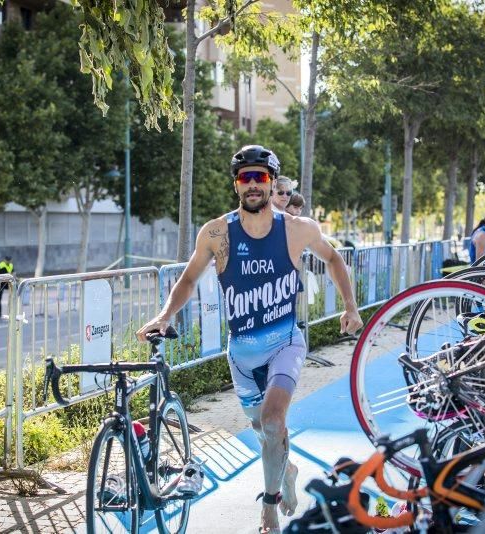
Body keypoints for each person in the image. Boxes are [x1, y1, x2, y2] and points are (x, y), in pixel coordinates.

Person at [136, 145, 362, 533]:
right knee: (264, 433)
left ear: (273, 182)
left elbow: (334, 258)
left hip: (285, 343)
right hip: (241, 355)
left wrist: (350, 306)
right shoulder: (217, 233)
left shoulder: (297, 229)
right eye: (246, 178)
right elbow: (189, 279)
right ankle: (285, 469)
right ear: (236, 185)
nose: (254, 184)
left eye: (261, 177)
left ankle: (268, 506)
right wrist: (164, 315)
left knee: (274, 420)